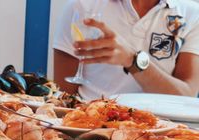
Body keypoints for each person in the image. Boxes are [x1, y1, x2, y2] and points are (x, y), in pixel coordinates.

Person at [53, 0, 199, 100]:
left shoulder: (193, 14)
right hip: (89, 123)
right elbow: (64, 93)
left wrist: (132, 59)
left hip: (160, 130)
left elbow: (186, 96)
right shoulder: (82, 4)